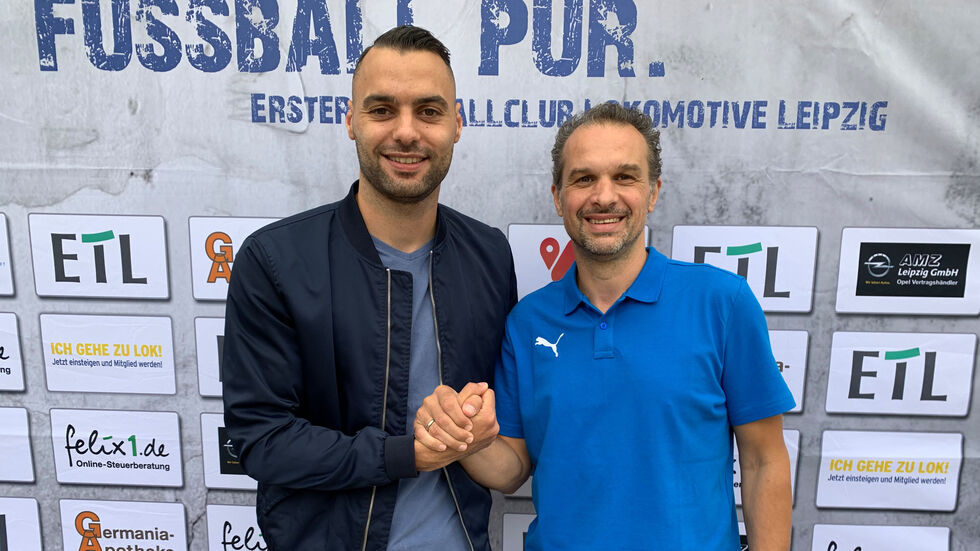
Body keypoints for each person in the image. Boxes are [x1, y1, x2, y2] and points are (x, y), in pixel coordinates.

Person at [414, 103, 795, 550]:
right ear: (558, 196)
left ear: (653, 193)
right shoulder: (527, 321)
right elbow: (512, 467)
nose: (604, 196)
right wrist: (463, 438)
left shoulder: (723, 303)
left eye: (625, 177)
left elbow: (763, 459)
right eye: (584, 178)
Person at [222, 26, 516, 551]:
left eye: (429, 110)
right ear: (351, 121)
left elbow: (500, 420)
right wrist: (406, 454)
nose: (406, 132)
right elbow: (262, 440)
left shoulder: (489, 254)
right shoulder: (274, 260)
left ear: (457, 124)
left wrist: (478, 419)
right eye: (382, 110)